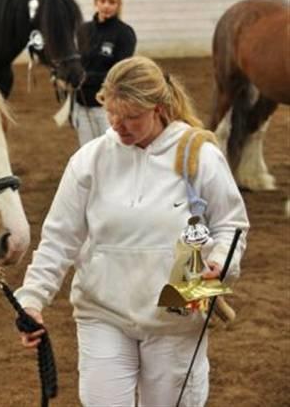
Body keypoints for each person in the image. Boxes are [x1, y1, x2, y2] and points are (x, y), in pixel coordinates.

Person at [15, 56, 249, 406]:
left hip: (176, 318)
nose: (117, 125)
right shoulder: (89, 160)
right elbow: (60, 237)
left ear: (158, 108)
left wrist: (220, 264)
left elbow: (231, 224)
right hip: (102, 312)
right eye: (112, 113)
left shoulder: (200, 155)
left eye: (130, 117)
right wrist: (32, 298)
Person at [73, 0, 136, 146]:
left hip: (108, 107)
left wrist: (87, 78)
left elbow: (120, 72)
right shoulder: (83, 30)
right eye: (103, 1)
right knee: (87, 150)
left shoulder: (125, 33)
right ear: (96, 2)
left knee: (112, 149)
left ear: (118, 5)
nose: (106, 6)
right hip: (82, 104)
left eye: (112, 2)